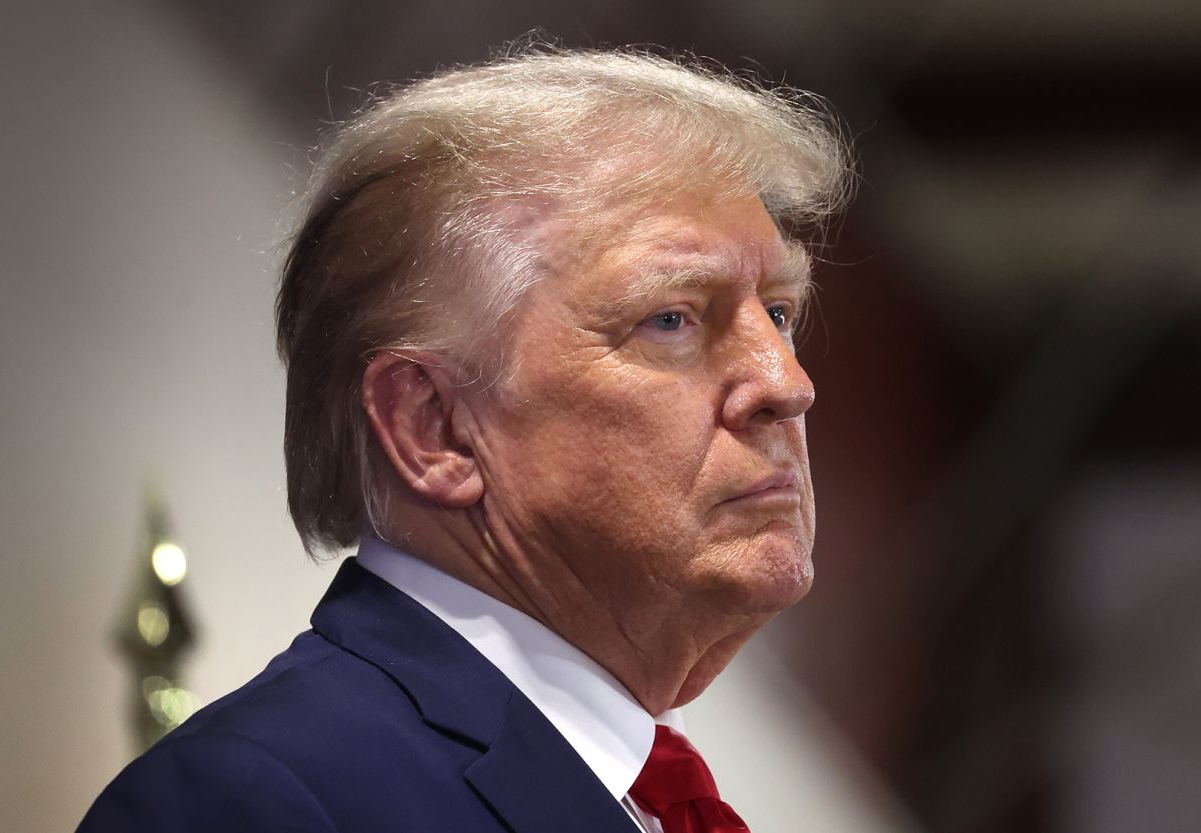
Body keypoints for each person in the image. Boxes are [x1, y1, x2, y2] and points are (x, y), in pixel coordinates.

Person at [77, 45, 850, 833]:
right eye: (671, 319)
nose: (787, 383)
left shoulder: (655, 800)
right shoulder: (248, 805)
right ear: (435, 428)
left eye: (780, 313)